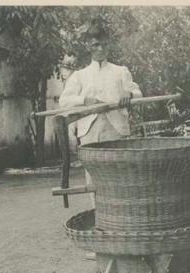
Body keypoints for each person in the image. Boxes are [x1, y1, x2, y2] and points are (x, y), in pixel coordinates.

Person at [59, 20, 142, 207]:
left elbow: (138, 93)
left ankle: (121, 215)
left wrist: (128, 95)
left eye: (104, 44)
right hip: (90, 131)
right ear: (88, 46)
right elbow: (64, 101)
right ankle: (100, 217)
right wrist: (85, 100)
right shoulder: (79, 76)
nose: (100, 49)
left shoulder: (121, 71)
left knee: (120, 174)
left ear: (109, 46)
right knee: (94, 178)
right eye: (96, 44)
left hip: (116, 129)